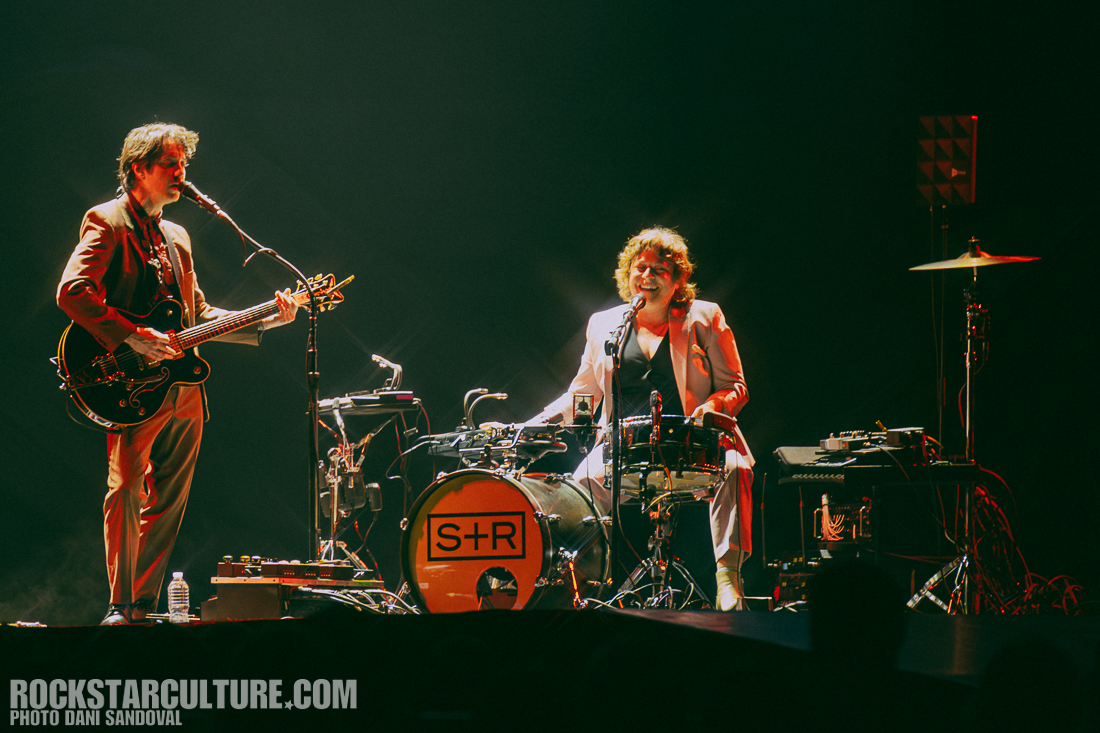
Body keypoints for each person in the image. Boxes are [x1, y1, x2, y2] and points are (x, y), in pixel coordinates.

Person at [57, 123, 299, 625]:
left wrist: (267, 317)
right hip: (129, 383)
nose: (181, 175)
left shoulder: (177, 235)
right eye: (170, 165)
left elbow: (195, 317)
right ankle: (119, 607)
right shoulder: (107, 221)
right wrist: (132, 336)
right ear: (138, 169)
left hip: (183, 389)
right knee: (125, 489)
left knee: (169, 499)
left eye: (183, 165)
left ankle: (142, 607)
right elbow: (73, 292)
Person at [530, 227, 754, 610]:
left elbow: (736, 386)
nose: (647, 276)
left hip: (692, 441)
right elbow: (582, 394)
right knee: (581, 483)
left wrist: (712, 408)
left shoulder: (704, 316)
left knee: (735, 469)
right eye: (640, 267)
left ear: (678, 277)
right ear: (627, 274)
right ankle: (583, 582)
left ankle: (727, 578)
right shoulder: (605, 324)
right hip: (625, 445)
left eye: (659, 269)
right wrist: (532, 425)